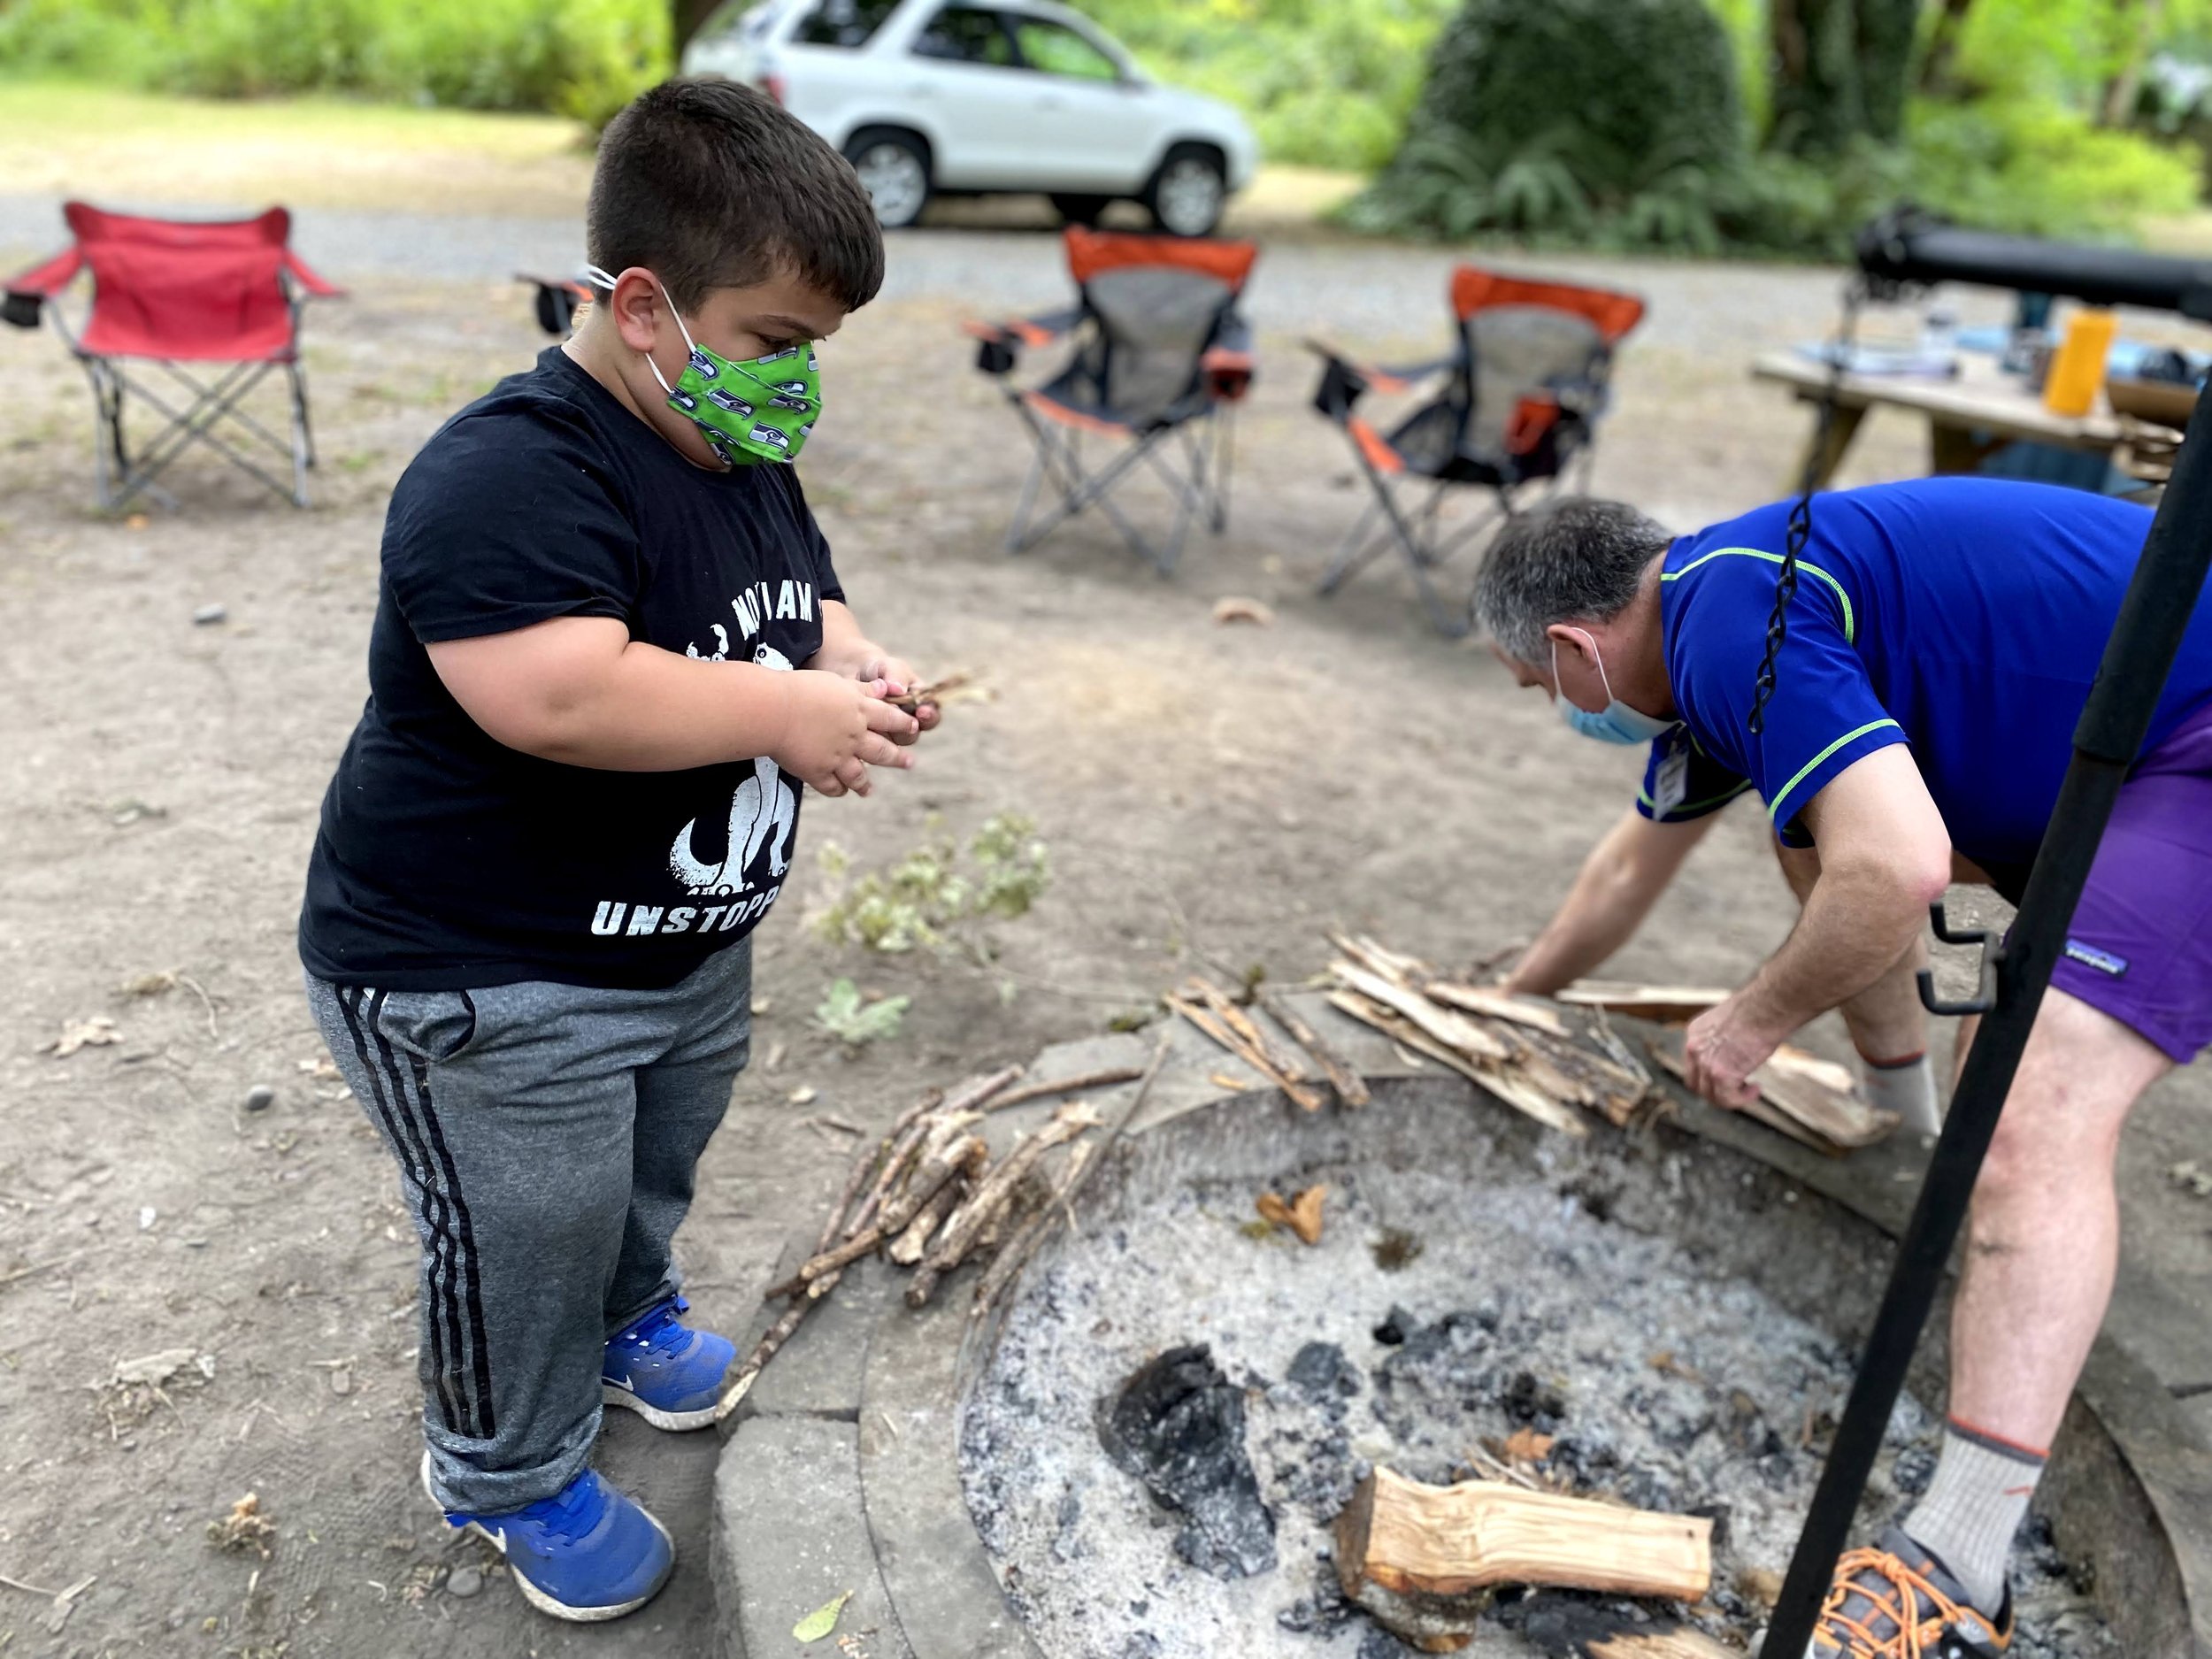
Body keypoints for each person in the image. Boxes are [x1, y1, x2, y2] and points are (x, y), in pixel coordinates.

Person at [296, 80, 933, 1622]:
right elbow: (557, 692)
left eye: (815, 353)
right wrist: (781, 713)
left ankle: (630, 1312)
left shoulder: (734, 452)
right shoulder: (509, 472)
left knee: (649, 1165)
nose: (798, 383)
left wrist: (852, 668)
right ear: (646, 306)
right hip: (482, 973)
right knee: (529, 1222)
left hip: (675, 946)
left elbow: (807, 605)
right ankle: (507, 1468)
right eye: (779, 339)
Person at [1472, 478, 2212, 1657]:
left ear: (1573, 645)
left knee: (2023, 1108)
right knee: (1809, 830)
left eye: (1539, 686)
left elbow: (1902, 871)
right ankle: (1908, 1154)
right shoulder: (1720, 609)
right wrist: (1498, 1007)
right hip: (2148, 724)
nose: (1554, 706)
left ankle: (1965, 1568)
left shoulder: (1730, 624)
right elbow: (1627, 876)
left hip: (2196, 733)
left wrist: (1749, 1021)